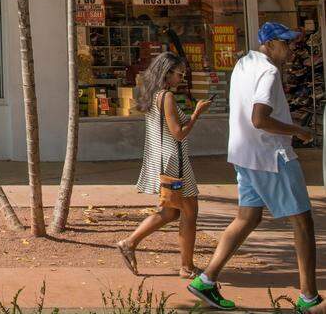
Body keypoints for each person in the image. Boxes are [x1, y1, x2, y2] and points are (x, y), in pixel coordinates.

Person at [188, 22, 318, 312]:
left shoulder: (243, 63)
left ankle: (206, 280)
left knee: (247, 218)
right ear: (270, 44)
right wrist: (298, 130)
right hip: (271, 156)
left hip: (244, 155)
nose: (290, 48)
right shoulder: (269, 71)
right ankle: (309, 298)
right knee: (302, 223)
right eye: (285, 43)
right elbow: (260, 118)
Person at [116, 52, 211, 278]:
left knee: (170, 212)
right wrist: (197, 114)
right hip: (175, 163)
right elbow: (178, 134)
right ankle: (186, 267)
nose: (182, 78)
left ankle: (129, 243)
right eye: (179, 74)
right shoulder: (166, 97)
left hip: (164, 160)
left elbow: (172, 127)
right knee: (189, 212)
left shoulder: (152, 95)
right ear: (167, 73)